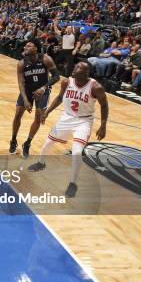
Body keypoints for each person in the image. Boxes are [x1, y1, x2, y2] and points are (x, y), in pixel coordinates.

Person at [28, 62, 109, 198]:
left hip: (84, 121)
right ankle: (40, 163)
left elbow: (104, 106)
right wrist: (47, 112)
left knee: (77, 152)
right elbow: (60, 98)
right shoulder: (66, 82)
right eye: (75, 66)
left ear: (86, 73)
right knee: (48, 143)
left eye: (78, 68)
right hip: (66, 117)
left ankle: (73, 183)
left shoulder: (96, 87)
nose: (74, 68)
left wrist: (103, 125)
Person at [10, 41, 60, 158]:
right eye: (25, 46)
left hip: (43, 91)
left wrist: (43, 88)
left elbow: (56, 76)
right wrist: (26, 100)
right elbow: (21, 83)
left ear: (36, 48)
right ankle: (13, 140)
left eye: (29, 46)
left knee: (38, 116)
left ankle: (27, 143)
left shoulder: (45, 59)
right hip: (27, 90)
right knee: (17, 114)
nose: (25, 47)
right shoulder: (22, 63)